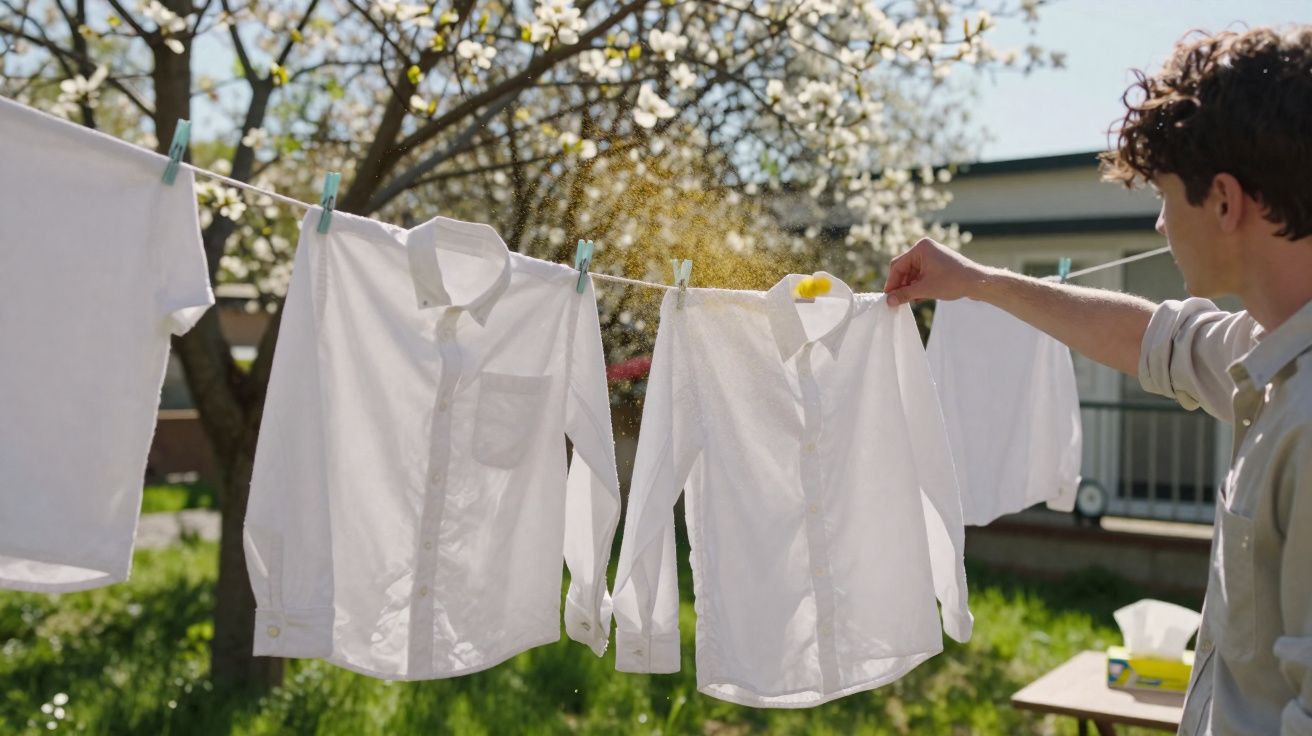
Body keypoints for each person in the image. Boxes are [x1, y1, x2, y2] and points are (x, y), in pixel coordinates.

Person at [882, 26, 1312, 736]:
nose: (1160, 222)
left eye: (1167, 196)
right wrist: (979, 282)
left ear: (1227, 202)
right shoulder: (1265, 359)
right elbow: (1152, 338)